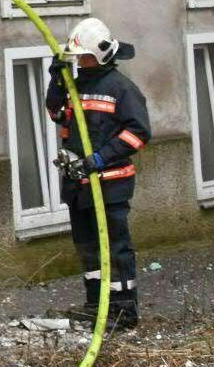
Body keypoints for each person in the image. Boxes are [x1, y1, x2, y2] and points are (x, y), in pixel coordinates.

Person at [47, 17, 148, 331]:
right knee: (88, 247)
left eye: (84, 56)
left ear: (101, 54)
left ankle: (123, 310)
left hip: (110, 184)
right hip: (79, 186)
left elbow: (138, 133)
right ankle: (96, 305)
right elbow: (56, 113)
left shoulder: (122, 89)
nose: (80, 61)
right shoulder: (77, 87)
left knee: (115, 247)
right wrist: (57, 78)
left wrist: (99, 159)